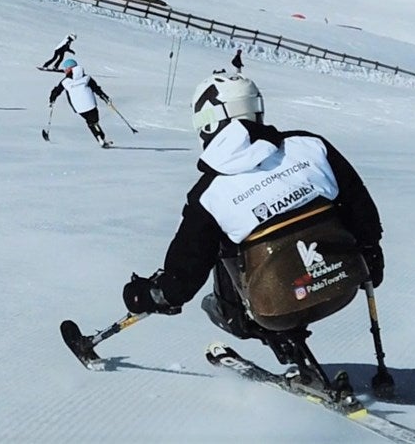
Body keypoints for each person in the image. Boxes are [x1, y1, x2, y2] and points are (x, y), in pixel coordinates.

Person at [122, 73, 384, 371]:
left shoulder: (209, 194)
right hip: (341, 285)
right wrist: (371, 252)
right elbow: (359, 206)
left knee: (222, 249)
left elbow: (186, 271)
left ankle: (269, 330)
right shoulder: (311, 146)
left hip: (275, 309)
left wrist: (155, 294)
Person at [48, 58, 113, 147]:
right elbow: (97, 89)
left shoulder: (65, 82)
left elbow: (56, 91)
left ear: (70, 69)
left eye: (65, 68)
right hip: (91, 105)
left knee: (91, 122)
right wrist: (105, 98)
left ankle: (100, 138)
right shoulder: (87, 78)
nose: (64, 70)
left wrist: (52, 99)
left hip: (78, 108)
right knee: (93, 122)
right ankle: (100, 137)